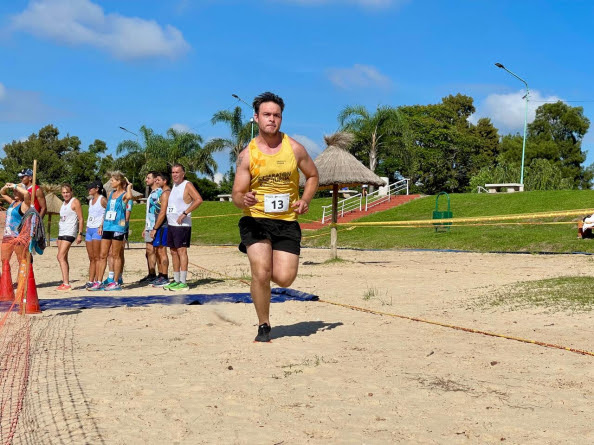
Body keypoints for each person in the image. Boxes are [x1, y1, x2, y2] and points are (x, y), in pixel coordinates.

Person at [232, 92, 319, 342]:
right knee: (261, 271)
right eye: (267, 115)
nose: (272, 119)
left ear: (282, 118)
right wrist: (243, 199)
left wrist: (306, 199)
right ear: (257, 118)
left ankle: (264, 267)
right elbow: (237, 194)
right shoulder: (247, 154)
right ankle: (264, 325)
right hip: (255, 220)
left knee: (284, 278)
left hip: (286, 221)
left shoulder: (294, 148)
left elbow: (313, 176)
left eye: (276, 115)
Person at [89, 172, 133, 291]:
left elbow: (129, 197)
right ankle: (98, 281)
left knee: (116, 255)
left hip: (118, 227)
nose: (111, 182)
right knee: (103, 255)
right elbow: (107, 209)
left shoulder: (124, 194)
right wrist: (101, 225)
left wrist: (129, 187)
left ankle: (115, 282)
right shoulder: (110, 193)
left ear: (119, 181)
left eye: (113, 180)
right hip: (107, 226)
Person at [163, 164, 203, 291]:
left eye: (177, 172)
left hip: (182, 225)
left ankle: (184, 282)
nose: (174, 174)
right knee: (173, 251)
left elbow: (198, 200)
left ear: (183, 173)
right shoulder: (174, 186)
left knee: (181, 251)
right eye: (173, 172)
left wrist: (185, 213)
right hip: (172, 224)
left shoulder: (187, 185)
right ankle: (176, 279)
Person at [56, 184, 84, 290]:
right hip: (62, 232)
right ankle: (65, 281)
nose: (65, 194)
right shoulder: (63, 204)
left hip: (70, 231)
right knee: (63, 257)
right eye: (63, 192)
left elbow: (81, 218)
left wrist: (80, 234)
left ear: (71, 192)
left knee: (60, 256)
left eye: (67, 192)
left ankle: (67, 283)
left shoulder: (75, 202)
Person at [149, 172, 171, 287]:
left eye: (158, 180)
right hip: (160, 225)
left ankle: (165, 276)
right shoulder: (162, 193)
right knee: (158, 251)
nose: (156, 182)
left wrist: (155, 228)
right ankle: (161, 275)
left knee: (162, 251)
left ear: (165, 181)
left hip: (163, 226)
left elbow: (162, 213)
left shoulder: (166, 193)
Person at [0, 182, 31, 265]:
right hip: (7, 235)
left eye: (17, 191)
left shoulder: (25, 204)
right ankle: (5, 278)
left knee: (22, 260)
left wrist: (15, 186)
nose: (15, 192)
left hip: (18, 236)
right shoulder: (13, 202)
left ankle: (25, 278)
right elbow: (2, 193)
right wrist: (6, 186)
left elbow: (27, 193)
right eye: (14, 191)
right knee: (4, 260)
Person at [140, 172, 162, 283]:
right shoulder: (152, 193)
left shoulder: (159, 193)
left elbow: (160, 211)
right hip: (149, 226)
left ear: (155, 179)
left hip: (157, 226)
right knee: (149, 251)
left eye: (148, 178)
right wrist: (146, 226)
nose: (146, 180)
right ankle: (151, 273)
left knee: (158, 251)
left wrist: (156, 226)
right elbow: (149, 212)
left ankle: (161, 274)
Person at [84, 181, 107, 288]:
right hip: (90, 229)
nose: (89, 190)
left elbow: (108, 212)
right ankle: (91, 280)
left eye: (91, 188)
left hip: (97, 229)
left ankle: (98, 280)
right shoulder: (91, 201)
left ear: (96, 189)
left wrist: (102, 226)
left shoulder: (102, 199)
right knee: (91, 257)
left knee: (97, 257)